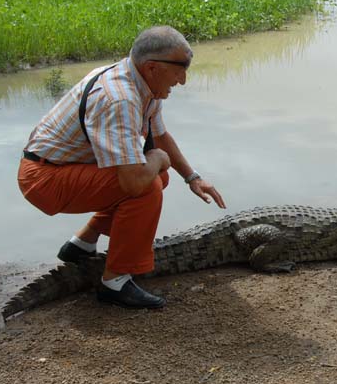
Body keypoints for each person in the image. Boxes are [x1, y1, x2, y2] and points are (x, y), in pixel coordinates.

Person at [18, 25, 226, 308]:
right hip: (45, 177)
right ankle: (114, 283)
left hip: (61, 168)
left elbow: (160, 136)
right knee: (147, 184)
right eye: (180, 69)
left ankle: (81, 245)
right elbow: (133, 182)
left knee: (157, 176)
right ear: (152, 67)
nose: (183, 79)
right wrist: (156, 159)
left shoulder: (141, 83)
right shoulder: (120, 98)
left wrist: (192, 177)